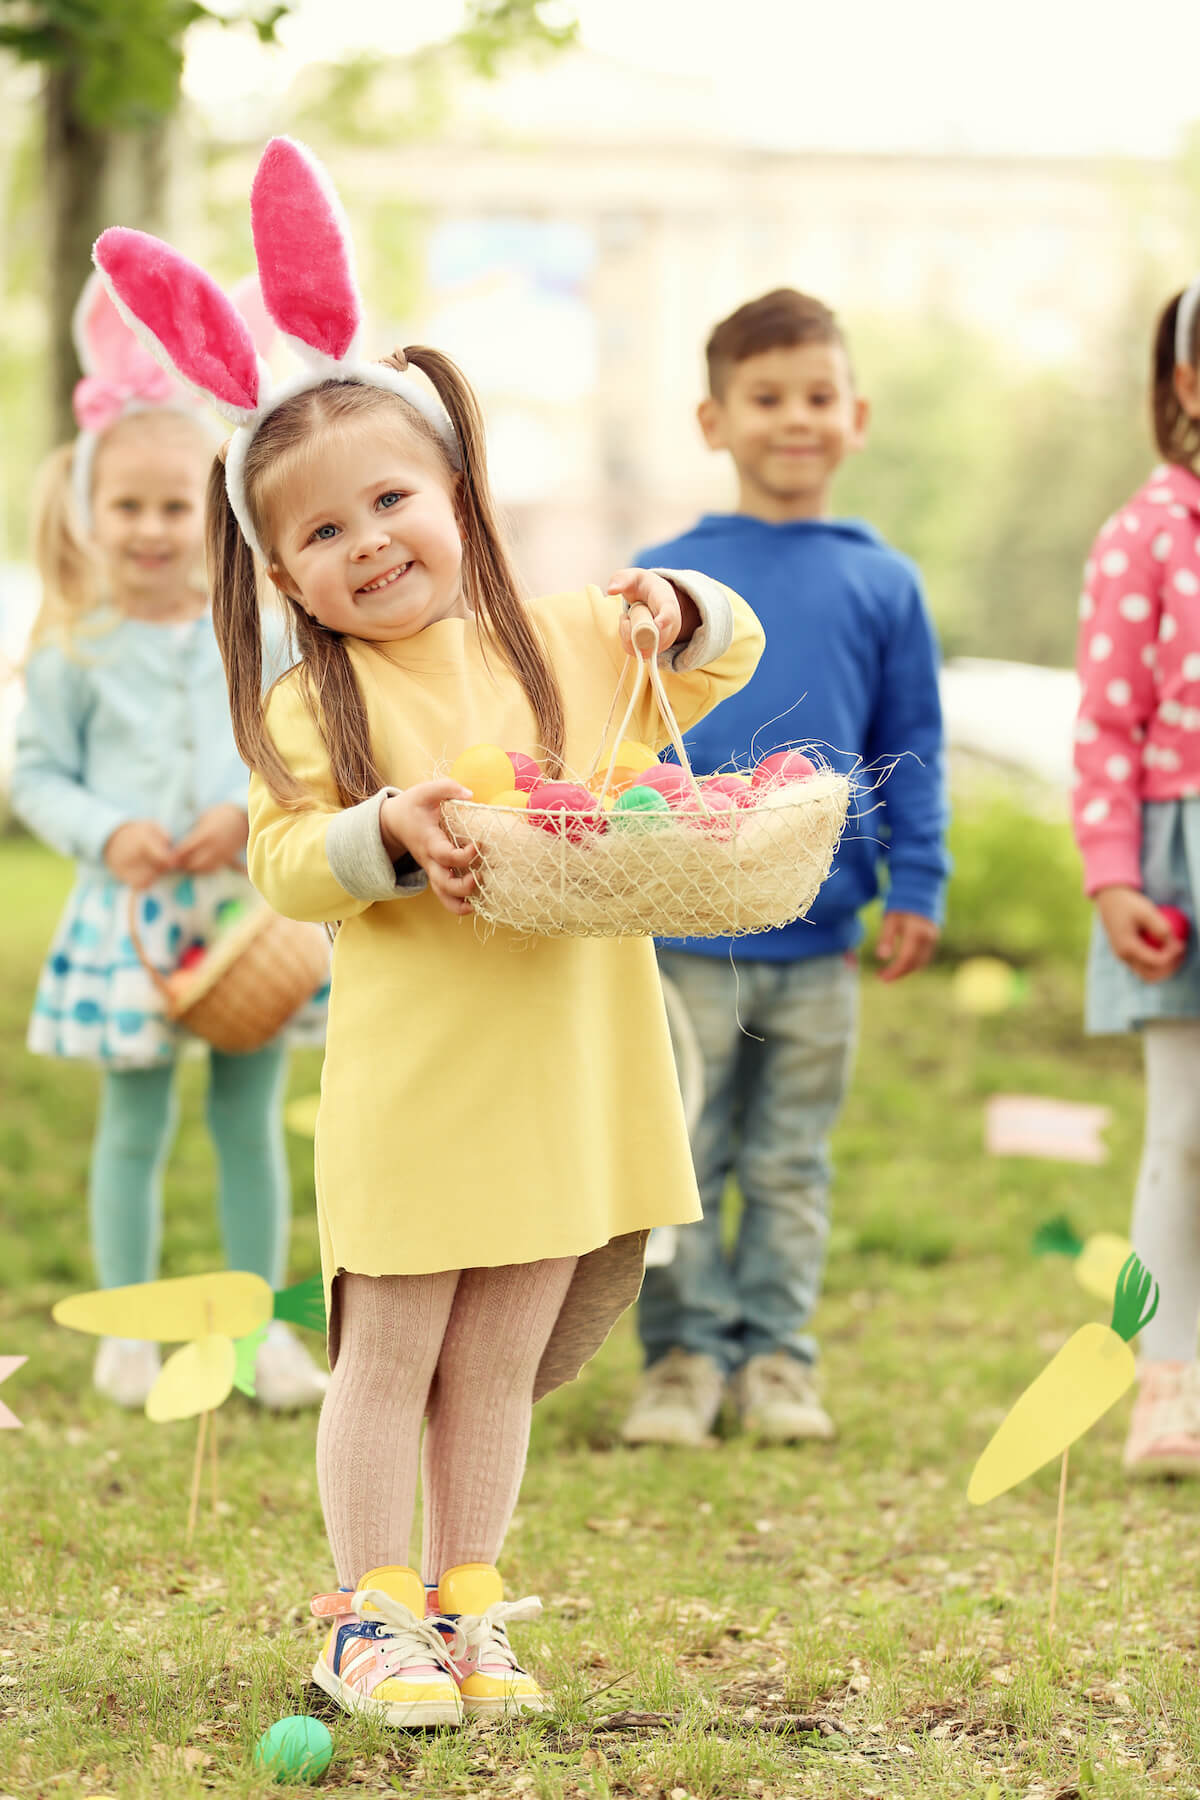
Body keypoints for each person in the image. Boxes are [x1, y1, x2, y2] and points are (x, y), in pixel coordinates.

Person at [93, 136, 764, 1727]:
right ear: (283, 575)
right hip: (418, 1080)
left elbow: (718, 663)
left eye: (392, 497)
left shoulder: (563, 639)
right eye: (321, 534)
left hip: (567, 1062)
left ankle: (469, 1600)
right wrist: (382, 834)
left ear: (456, 491)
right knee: (390, 1351)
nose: (368, 541)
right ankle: (364, 1611)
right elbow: (282, 864)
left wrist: (686, 606)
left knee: (504, 1351)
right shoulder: (310, 702)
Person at [621, 288, 949, 1450]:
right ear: (715, 420)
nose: (794, 419)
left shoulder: (883, 581)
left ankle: (777, 1362)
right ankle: (680, 1362)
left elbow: (913, 741)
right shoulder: (663, 577)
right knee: (683, 1161)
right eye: (766, 398)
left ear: (856, 415)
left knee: (791, 1161)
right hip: (683, 941)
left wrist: (918, 883)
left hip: (820, 944)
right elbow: (619, 746)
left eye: (818, 396)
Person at [11, 274, 328, 1414]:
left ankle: (261, 1328)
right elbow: (36, 772)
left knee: (248, 1119)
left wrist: (243, 812)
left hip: (248, 917)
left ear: (220, 514)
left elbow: (302, 746)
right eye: (127, 508)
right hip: (132, 918)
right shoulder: (74, 653)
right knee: (133, 1123)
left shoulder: (258, 634)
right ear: (91, 515)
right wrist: (110, 831)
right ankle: (128, 1327)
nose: (151, 531)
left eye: (175, 507)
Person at [1072, 275, 1200, 1475]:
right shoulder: (1149, 532)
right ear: (1190, 385)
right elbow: (1108, 725)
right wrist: (1113, 877)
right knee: (1187, 1131)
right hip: (1180, 860)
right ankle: (1171, 1383)